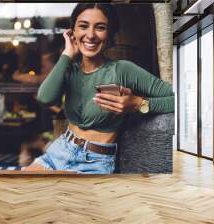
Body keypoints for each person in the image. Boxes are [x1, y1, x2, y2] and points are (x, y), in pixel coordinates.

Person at [24, 3, 174, 174]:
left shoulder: (123, 70)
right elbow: (45, 98)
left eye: (100, 27)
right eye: (83, 26)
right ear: (73, 31)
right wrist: (67, 54)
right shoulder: (69, 70)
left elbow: (178, 100)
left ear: (109, 33)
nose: (90, 35)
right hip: (59, 151)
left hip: (93, 163)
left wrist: (138, 103)